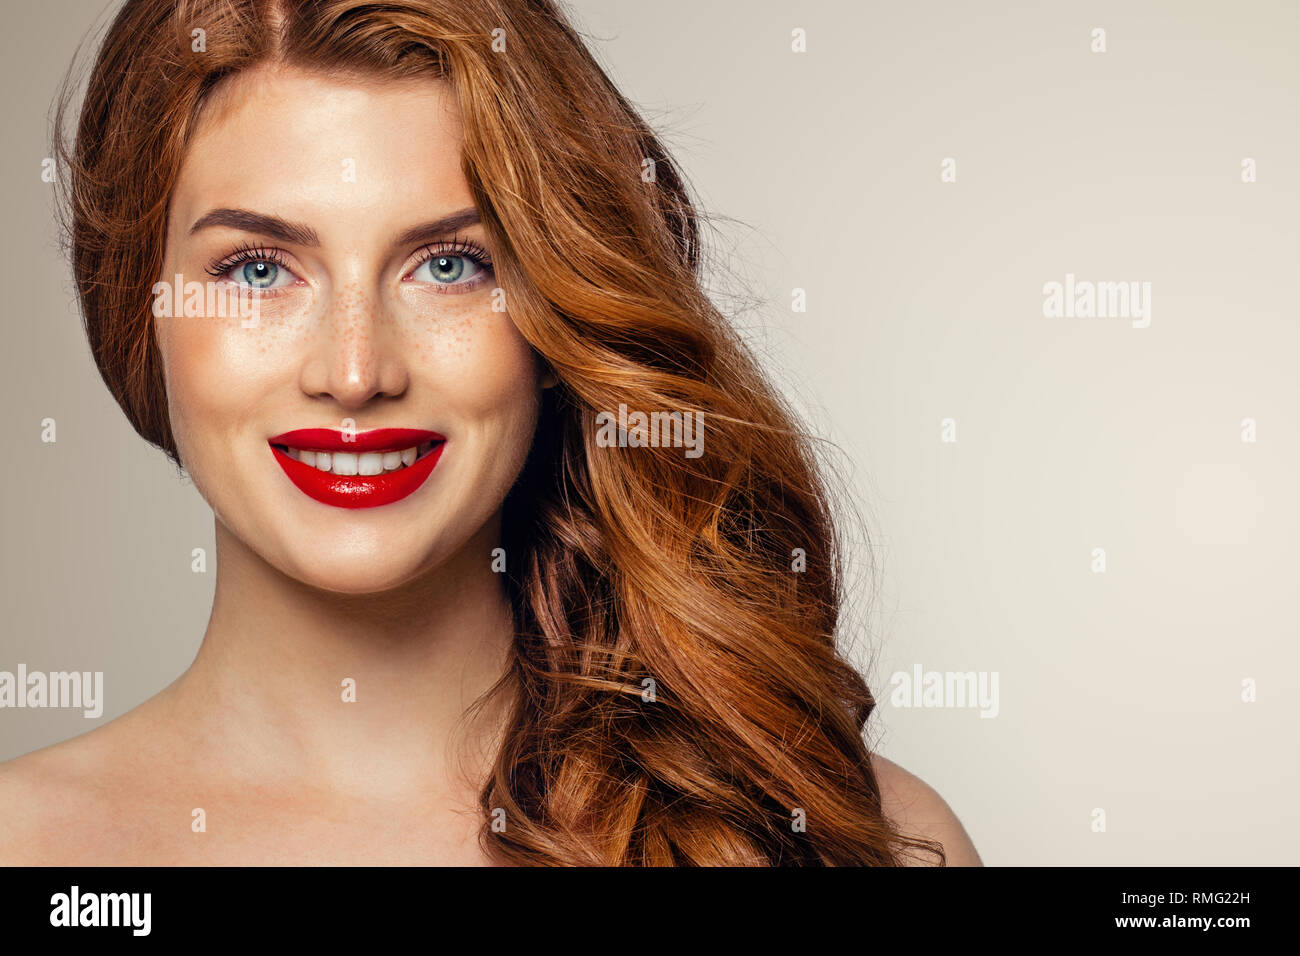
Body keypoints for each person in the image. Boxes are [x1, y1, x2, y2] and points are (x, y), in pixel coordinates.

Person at [0, 0, 980, 866]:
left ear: (551, 313)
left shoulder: (852, 832)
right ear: (142, 306)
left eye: (447, 265)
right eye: (258, 268)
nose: (355, 372)